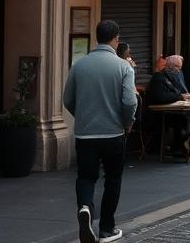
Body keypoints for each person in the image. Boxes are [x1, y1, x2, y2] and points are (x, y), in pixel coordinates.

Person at [63, 20, 137, 243]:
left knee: (86, 177)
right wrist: (128, 122)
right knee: (113, 178)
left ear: (96, 37)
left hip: (85, 134)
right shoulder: (124, 66)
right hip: (113, 133)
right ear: (115, 39)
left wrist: (83, 117)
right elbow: (130, 101)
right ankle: (107, 228)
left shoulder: (79, 65)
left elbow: (67, 99)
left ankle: (85, 207)